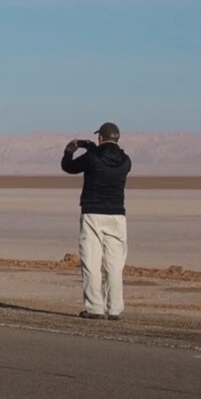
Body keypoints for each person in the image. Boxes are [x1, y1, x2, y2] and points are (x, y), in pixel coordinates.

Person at [61, 122, 132, 320]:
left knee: (91, 262)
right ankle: (115, 309)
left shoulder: (92, 158)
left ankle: (94, 308)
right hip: (117, 215)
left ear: (100, 137)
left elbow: (69, 167)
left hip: (93, 213)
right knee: (115, 265)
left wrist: (69, 151)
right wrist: (93, 148)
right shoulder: (126, 161)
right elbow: (107, 159)